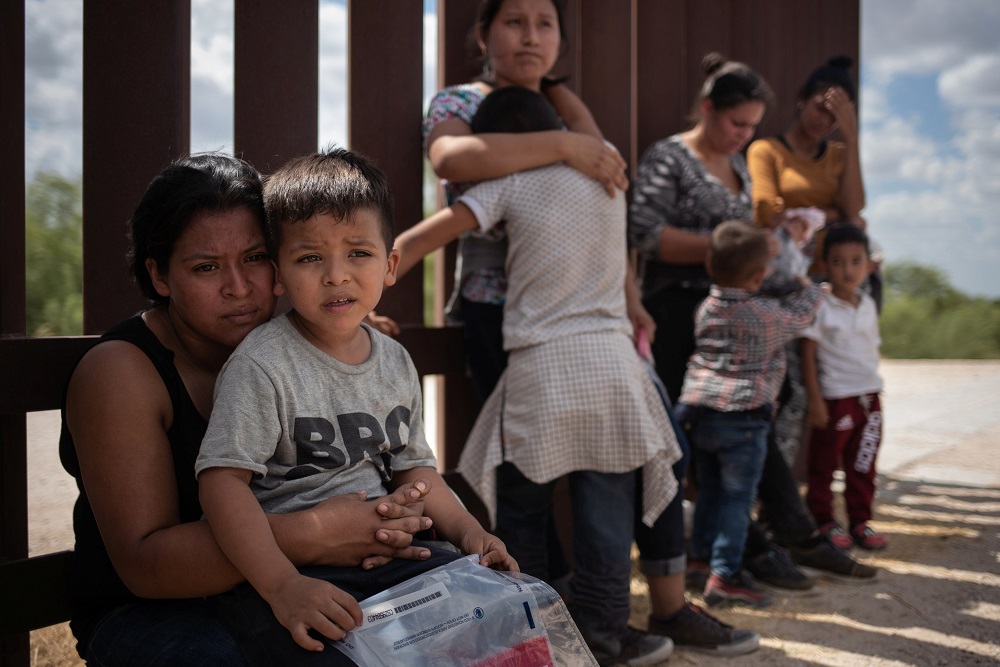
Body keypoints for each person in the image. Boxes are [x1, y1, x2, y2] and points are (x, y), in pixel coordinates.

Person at [59, 154, 437, 666]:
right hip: (155, 612)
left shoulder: (297, 351)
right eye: (205, 267)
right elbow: (144, 567)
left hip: (295, 584)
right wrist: (319, 533)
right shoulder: (121, 372)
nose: (238, 287)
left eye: (255, 257)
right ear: (160, 275)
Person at [195, 148, 517, 663]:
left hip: (394, 559)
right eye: (309, 258)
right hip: (301, 575)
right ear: (278, 274)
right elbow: (220, 483)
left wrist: (471, 533)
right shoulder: (263, 365)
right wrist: (280, 586)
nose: (336, 275)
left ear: (390, 265)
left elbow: (416, 469)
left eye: (358, 253)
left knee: (498, 624)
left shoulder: (394, 361)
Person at [400, 85, 682, 666]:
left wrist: (371, 272)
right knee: (606, 518)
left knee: (523, 512)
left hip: (543, 371)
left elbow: (427, 237)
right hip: (613, 370)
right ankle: (604, 632)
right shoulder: (608, 178)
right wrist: (562, 98)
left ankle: (531, 632)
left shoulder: (509, 182)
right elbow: (582, 124)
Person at [629, 53, 877, 589]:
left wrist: (774, 239)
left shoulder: (741, 167)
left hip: (740, 315)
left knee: (748, 433)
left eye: (751, 127)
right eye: (736, 123)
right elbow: (645, 234)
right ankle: (775, 541)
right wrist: (731, 251)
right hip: (684, 316)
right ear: (707, 108)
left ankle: (748, 549)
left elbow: (753, 239)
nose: (743, 134)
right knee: (727, 440)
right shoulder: (668, 158)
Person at [677, 221, 824, 608]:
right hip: (744, 418)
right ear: (760, 275)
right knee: (737, 500)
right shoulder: (767, 313)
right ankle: (726, 575)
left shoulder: (706, 307)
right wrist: (811, 287)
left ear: (711, 267)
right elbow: (801, 317)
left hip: (700, 412)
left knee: (709, 489)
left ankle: (698, 562)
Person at [747, 55, 868, 468]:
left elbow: (853, 211)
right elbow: (766, 209)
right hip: (784, 286)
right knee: (792, 391)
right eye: (821, 107)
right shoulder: (767, 150)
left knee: (831, 388)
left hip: (827, 285)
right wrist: (826, 215)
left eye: (836, 116)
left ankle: (819, 484)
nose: (825, 119)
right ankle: (775, 501)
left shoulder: (837, 155)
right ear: (801, 100)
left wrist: (850, 137)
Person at [800, 224, 887, 551]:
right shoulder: (820, 304)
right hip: (835, 397)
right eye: (838, 262)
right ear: (824, 266)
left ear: (868, 265)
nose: (847, 270)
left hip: (870, 397)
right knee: (823, 465)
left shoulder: (867, 303)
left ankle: (860, 521)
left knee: (863, 463)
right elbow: (807, 353)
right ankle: (824, 520)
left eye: (855, 261)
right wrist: (815, 399)